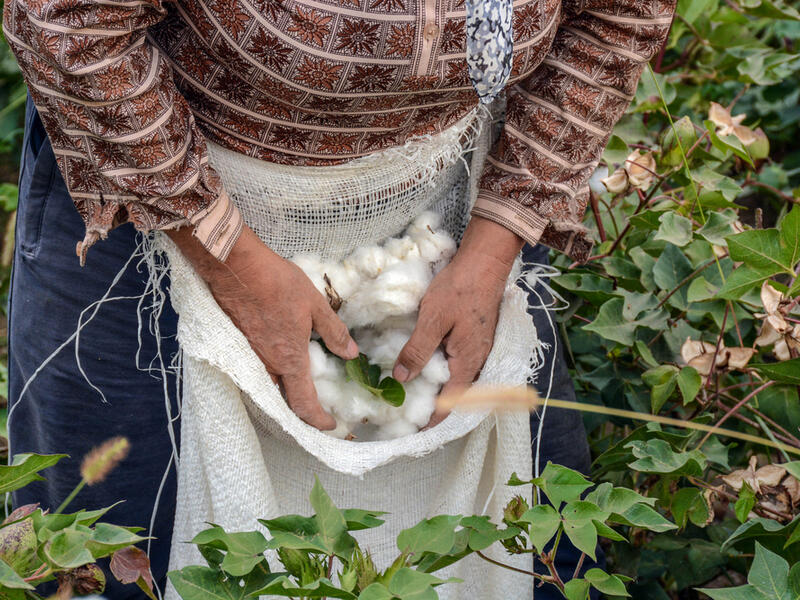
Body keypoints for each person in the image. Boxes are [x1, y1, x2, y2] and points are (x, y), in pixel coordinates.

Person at [4, 0, 675, 597]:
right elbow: (69, 22)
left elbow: (618, 13)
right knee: (121, 547)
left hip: (452, 222)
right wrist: (229, 259)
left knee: (518, 536)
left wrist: (497, 240)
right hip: (161, 209)